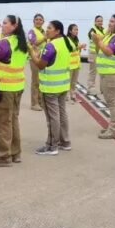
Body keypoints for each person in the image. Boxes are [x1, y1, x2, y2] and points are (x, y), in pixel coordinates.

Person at [0, 15, 29, 167]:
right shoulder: (22, 42)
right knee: (13, 120)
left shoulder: (5, 42)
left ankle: (4, 156)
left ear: (14, 26)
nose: (2, 26)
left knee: (3, 122)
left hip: (4, 88)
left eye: (5, 23)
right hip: (17, 86)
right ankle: (16, 153)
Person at [29, 20, 73, 155]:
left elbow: (40, 65)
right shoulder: (67, 41)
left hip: (51, 87)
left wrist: (32, 53)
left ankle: (52, 146)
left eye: (49, 28)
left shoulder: (51, 45)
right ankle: (65, 142)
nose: (47, 30)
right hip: (63, 84)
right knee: (62, 114)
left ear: (57, 31)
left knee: (52, 117)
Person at [92, 14, 115, 139]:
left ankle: (114, 130)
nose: (109, 23)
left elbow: (108, 52)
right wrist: (99, 40)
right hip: (107, 74)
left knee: (113, 103)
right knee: (111, 102)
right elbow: (100, 49)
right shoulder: (110, 35)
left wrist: (98, 41)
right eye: (110, 21)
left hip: (113, 75)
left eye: (112, 21)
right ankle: (114, 127)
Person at [27, 13, 46, 111]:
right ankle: (34, 103)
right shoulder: (32, 31)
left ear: (43, 21)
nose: (38, 21)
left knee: (41, 81)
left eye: (40, 20)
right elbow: (33, 43)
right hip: (34, 59)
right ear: (33, 21)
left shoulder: (43, 31)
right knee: (36, 81)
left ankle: (40, 101)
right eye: (37, 19)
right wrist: (44, 38)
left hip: (43, 59)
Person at [86, 15, 106, 93]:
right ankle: (90, 88)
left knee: (102, 71)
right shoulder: (92, 30)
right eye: (98, 21)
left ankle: (103, 88)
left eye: (101, 21)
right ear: (95, 22)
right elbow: (93, 36)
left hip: (101, 54)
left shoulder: (104, 30)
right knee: (93, 72)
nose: (100, 22)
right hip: (93, 54)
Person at [66, 24, 85, 102]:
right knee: (68, 82)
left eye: (77, 29)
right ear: (70, 31)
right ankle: (66, 97)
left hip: (76, 64)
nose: (76, 31)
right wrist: (78, 47)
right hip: (69, 65)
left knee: (74, 82)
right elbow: (69, 50)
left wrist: (81, 48)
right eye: (75, 29)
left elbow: (77, 51)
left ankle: (73, 96)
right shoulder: (67, 39)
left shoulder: (76, 39)